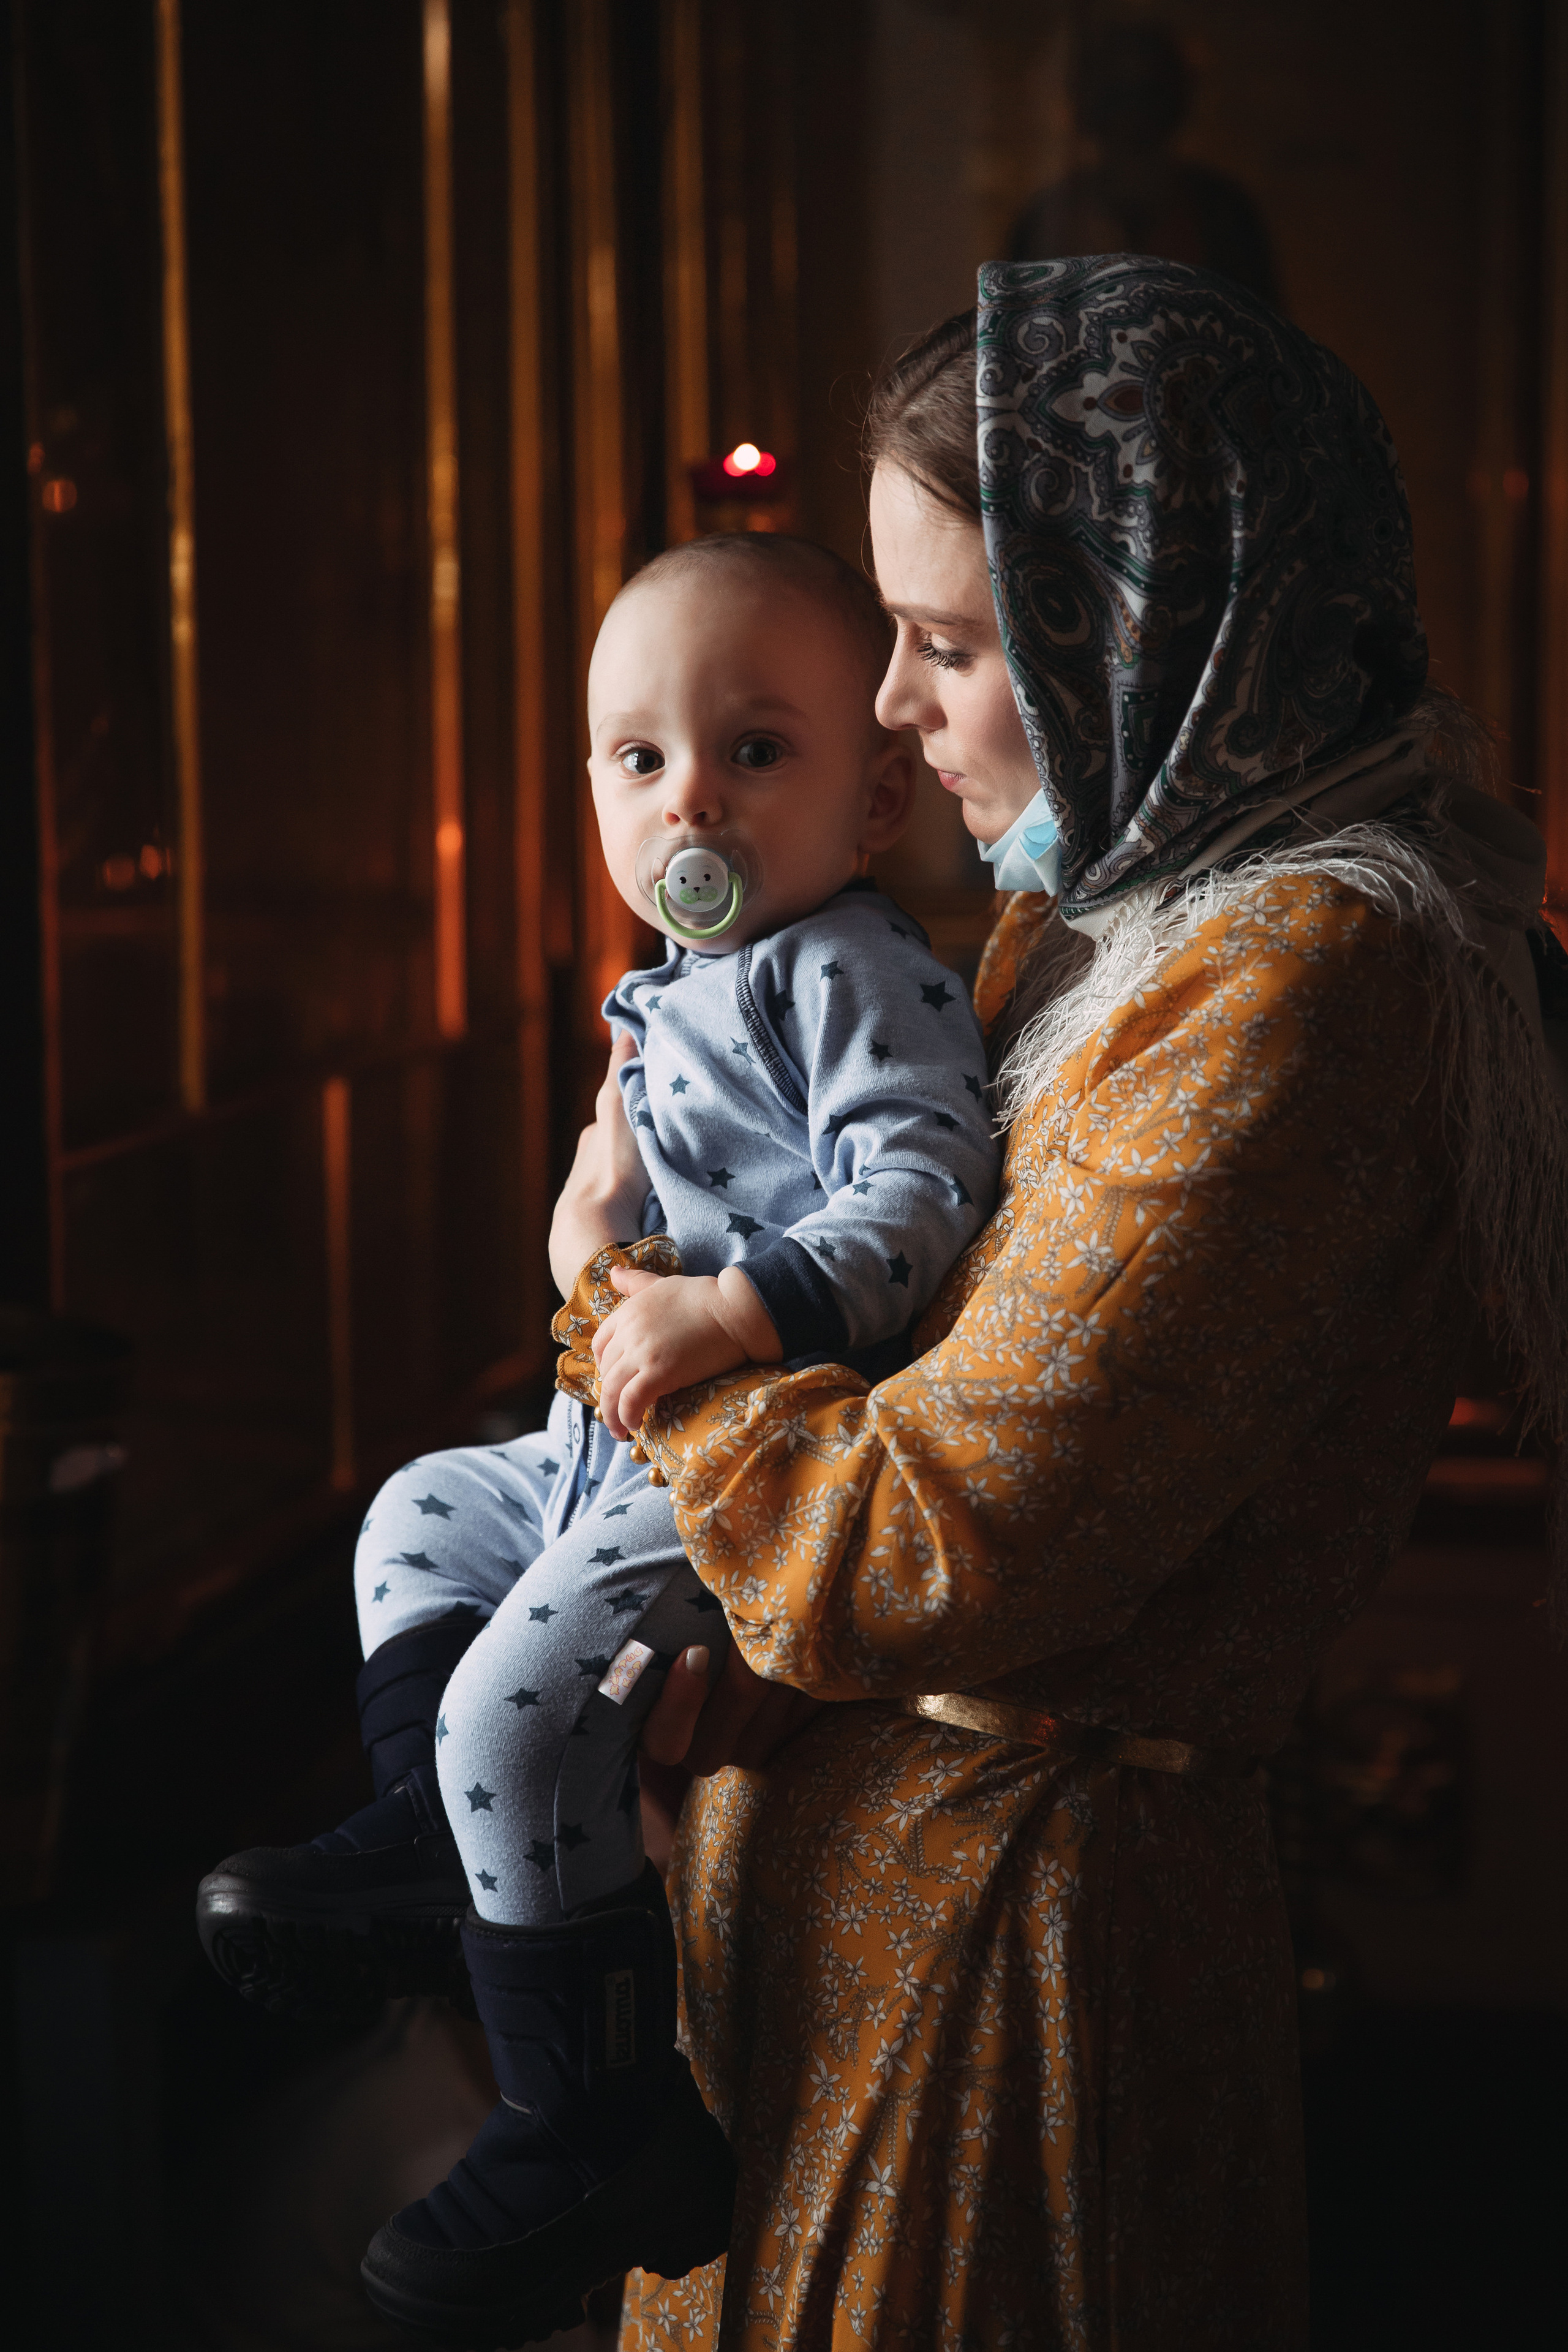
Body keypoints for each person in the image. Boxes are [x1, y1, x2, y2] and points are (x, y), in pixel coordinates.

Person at [551, 260, 1568, 2349]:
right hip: (851, 1908)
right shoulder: (1095, 927)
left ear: (1146, 629)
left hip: (1000, 1966)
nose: (899, 715)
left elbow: (920, 1540)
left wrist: (617, 1301)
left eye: (943, 643)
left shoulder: (1298, 979)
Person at [195, 532, 1001, 2349]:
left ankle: (591, 2114)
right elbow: (608, 1228)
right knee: (415, 1509)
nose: (688, 796)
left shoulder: (845, 966)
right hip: (596, 1449)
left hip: (745, 1474)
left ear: (877, 794)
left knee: (510, 1706)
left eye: (754, 749)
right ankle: (425, 1837)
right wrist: (592, 1225)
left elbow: (923, 1192)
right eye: (637, 760)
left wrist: (721, 1307)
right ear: (588, 794)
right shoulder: (664, 994)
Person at [1008, 20, 1278, 309]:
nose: (1133, 115)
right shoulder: (1047, 218)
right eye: (1118, 93)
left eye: (1149, 92)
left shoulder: (1225, 213)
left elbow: (1263, 329)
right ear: (1087, 103)